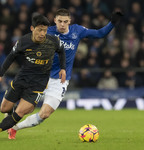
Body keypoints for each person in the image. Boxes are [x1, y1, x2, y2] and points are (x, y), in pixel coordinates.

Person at [8, 8, 123, 139]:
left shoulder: (77, 31)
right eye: (60, 21)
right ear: (55, 21)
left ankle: (14, 128)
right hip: (40, 77)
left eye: (65, 21)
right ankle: (9, 114)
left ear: (70, 21)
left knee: (45, 114)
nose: (62, 24)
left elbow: (99, 33)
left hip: (59, 81)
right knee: (25, 108)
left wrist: (112, 23)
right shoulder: (47, 32)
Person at [0, 14, 66, 141]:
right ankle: (9, 117)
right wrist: (0, 74)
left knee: (20, 113)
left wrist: (63, 68)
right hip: (21, 79)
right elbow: (11, 56)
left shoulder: (53, 41)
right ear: (32, 28)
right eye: (40, 30)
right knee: (4, 109)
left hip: (37, 85)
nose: (43, 33)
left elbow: (61, 50)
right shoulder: (23, 41)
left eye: (45, 30)